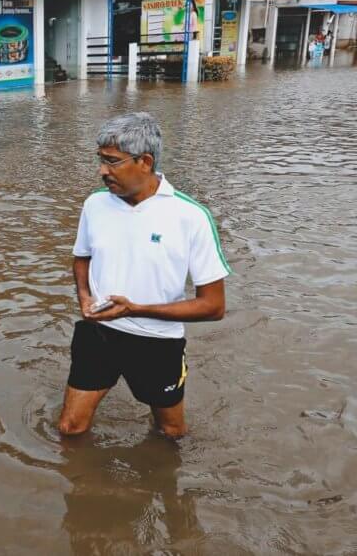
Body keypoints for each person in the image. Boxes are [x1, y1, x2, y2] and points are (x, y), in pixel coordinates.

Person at [58, 113, 229, 439]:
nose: (102, 171)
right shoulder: (95, 205)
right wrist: (83, 297)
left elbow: (213, 306)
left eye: (112, 162)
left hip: (157, 343)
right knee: (70, 428)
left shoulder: (190, 217)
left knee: (171, 432)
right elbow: (81, 257)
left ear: (145, 162)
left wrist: (135, 309)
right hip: (99, 332)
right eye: (100, 160)